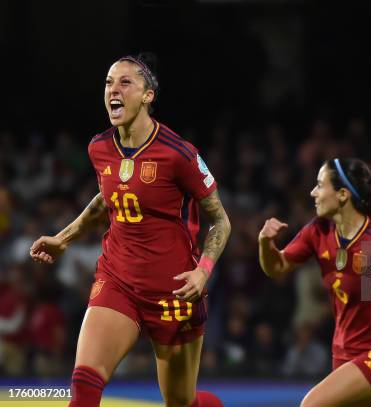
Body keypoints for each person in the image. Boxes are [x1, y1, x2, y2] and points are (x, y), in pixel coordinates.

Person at [29, 54, 230, 407]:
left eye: (124, 83)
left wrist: (203, 273)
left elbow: (221, 220)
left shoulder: (178, 153)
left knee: (181, 402)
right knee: (84, 387)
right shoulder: (99, 147)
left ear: (148, 95)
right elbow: (107, 199)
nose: (113, 90)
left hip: (174, 290)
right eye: (108, 82)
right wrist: (63, 238)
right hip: (117, 279)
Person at [258, 158, 371, 407]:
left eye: (319, 185)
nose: (312, 192)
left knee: (312, 404)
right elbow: (275, 268)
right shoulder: (317, 232)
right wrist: (266, 244)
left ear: (342, 195)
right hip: (344, 353)